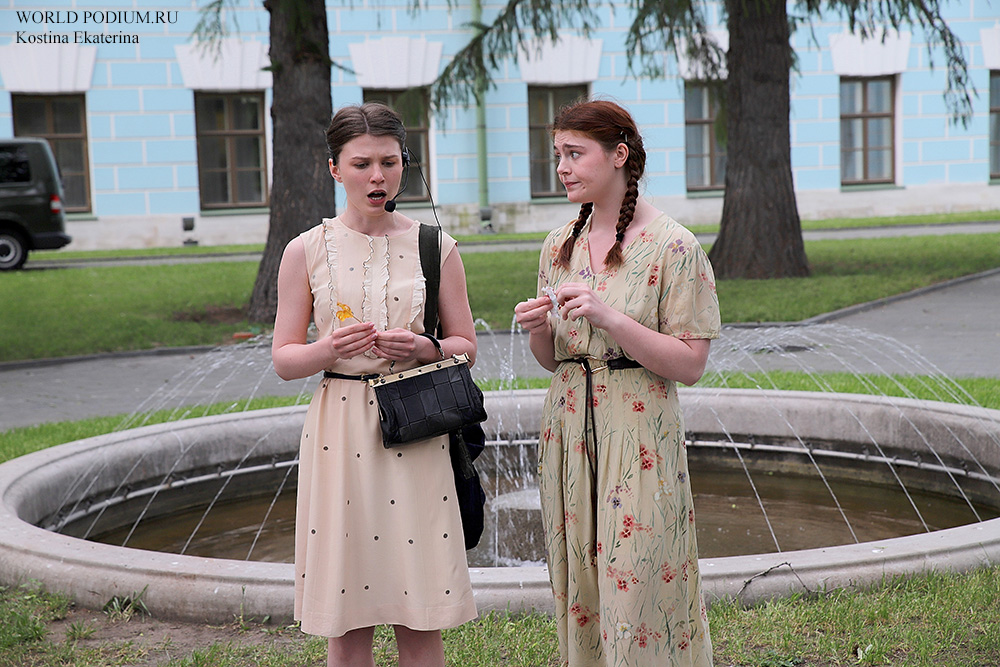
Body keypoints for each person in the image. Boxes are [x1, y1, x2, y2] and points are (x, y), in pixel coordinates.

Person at [514, 99, 720, 666]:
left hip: (638, 431)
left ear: (619, 155)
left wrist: (610, 318)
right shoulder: (560, 243)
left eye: (575, 154)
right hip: (568, 431)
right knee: (580, 580)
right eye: (558, 155)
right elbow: (556, 360)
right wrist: (538, 330)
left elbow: (691, 364)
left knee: (639, 579)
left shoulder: (673, 246)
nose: (562, 167)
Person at [271, 102, 478, 667]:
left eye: (389, 162)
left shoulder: (436, 246)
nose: (377, 177)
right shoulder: (305, 249)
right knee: (347, 620)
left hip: (416, 427)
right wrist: (328, 349)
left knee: (421, 614)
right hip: (339, 431)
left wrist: (424, 348)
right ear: (335, 169)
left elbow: (466, 345)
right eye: (361, 164)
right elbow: (285, 360)